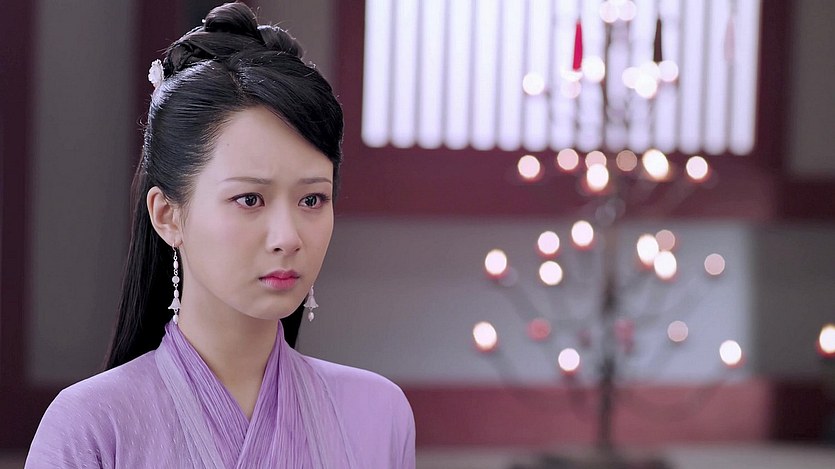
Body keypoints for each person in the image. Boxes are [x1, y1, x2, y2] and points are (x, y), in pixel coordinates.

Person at [25, 2, 415, 468]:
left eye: (312, 199)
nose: (288, 237)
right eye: (249, 199)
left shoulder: (379, 414)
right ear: (168, 215)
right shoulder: (90, 425)